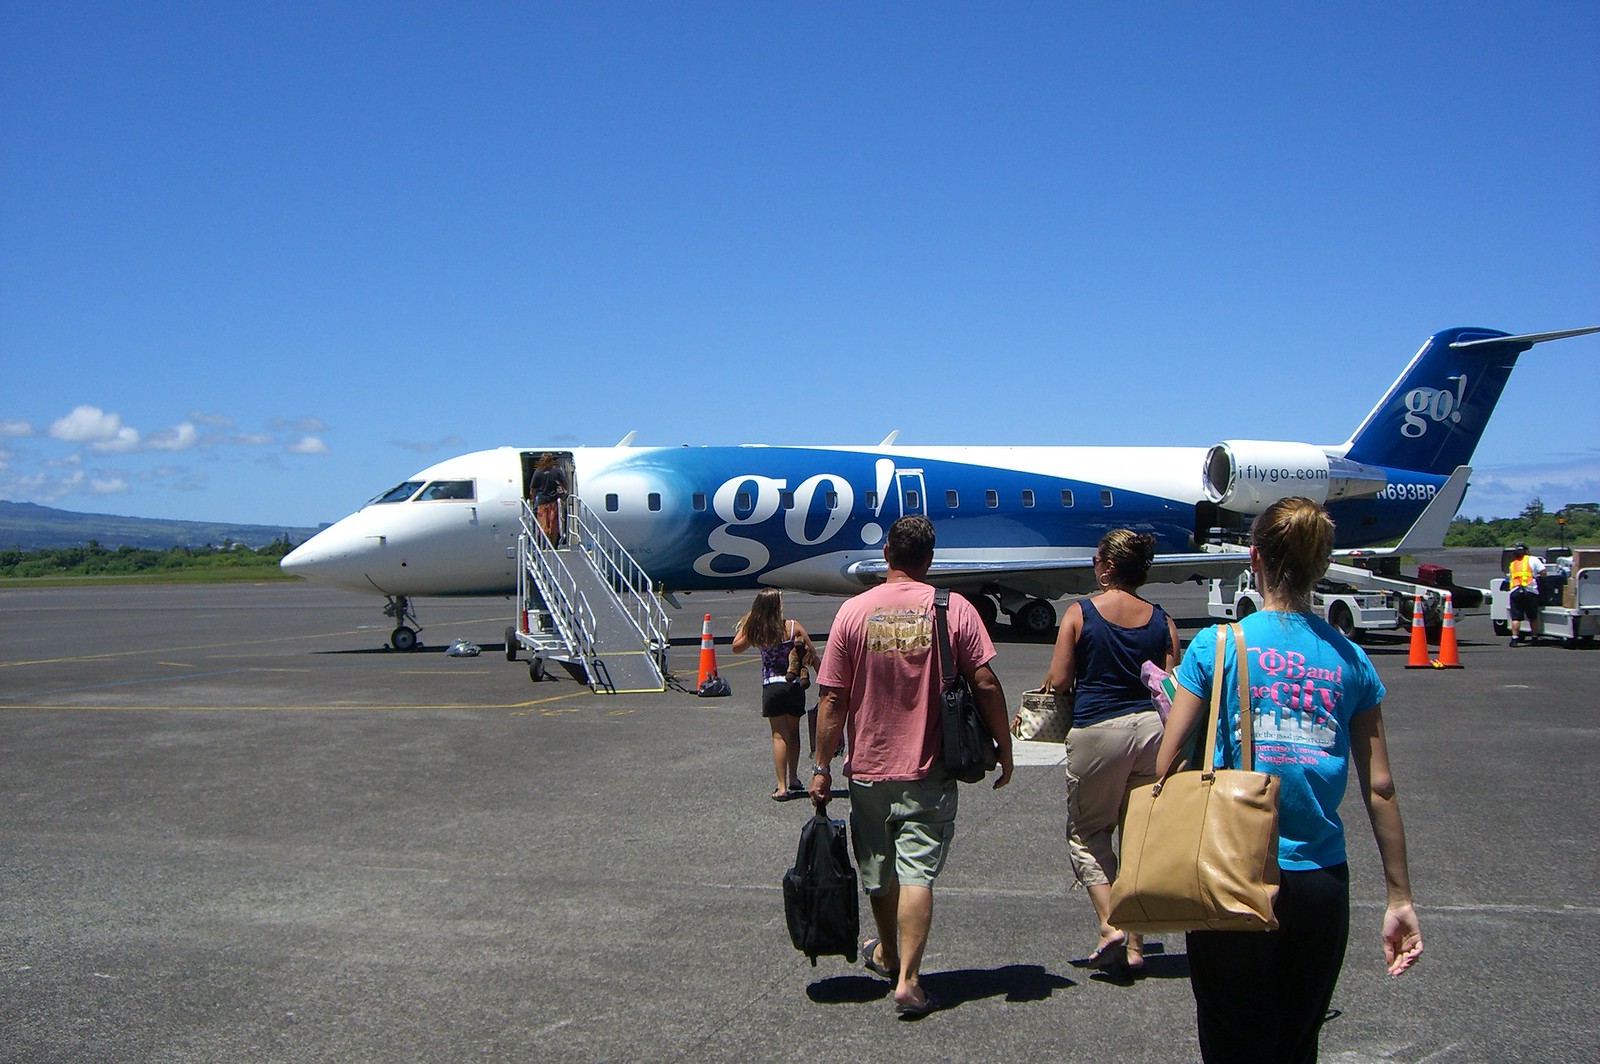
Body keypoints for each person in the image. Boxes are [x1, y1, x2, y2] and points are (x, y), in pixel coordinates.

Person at [1156, 498, 1423, 1064]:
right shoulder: (1351, 659)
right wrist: (1398, 895)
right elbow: (1380, 787)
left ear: (1254, 559)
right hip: (1321, 881)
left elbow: (1165, 761)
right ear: (1320, 565)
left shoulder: (1218, 645)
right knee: (1297, 1042)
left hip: (1233, 869)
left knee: (1233, 1039)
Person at [808, 515, 1013, 1016]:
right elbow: (984, 682)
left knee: (878, 872)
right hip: (929, 768)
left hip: (868, 769)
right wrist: (1004, 746)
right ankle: (909, 978)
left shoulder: (852, 613)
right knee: (917, 873)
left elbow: (832, 699)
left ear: (886, 555)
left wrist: (819, 766)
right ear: (929, 559)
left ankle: (888, 951)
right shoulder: (953, 608)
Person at [1044, 528, 1179, 975]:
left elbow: (1060, 681)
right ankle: (1136, 945)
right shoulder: (1162, 619)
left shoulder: (1079, 614)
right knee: (1136, 835)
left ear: (1106, 567)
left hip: (1099, 730)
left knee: (1087, 831)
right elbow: (1170, 680)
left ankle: (1111, 925)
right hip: (1152, 732)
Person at [732, 589, 818, 801]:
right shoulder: (792, 627)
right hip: (794, 686)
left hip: (772, 686)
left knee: (779, 735)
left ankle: (781, 786)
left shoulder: (758, 630)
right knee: (794, 732)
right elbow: (811, 654)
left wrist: (751, 620)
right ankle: (794, 777)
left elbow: (736, 647)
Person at [1506, 541, 1547, 645]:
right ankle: (1534, 638)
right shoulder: (1533, 559)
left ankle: (1514, 639)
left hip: (1515, 591)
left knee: (1515, 618)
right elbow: (1543, 572)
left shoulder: (1513, 563)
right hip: (1530, 591)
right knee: (1532, 617)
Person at [529, 454, 567, 544]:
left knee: (543, 525)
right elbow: (564, 484)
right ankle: (553, 545)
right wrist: (564, 493)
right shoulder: (556, 471)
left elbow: (533, 489)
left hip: (542, 502)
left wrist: (532, 499)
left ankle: (544, 545)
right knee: (553, 526)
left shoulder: (538, 472)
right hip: (553, 501)